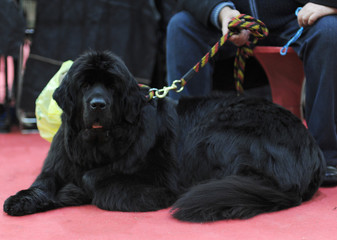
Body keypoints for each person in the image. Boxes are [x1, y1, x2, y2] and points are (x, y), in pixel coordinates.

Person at [166, 0, 337, 186]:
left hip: (300, 19)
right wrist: (223, 13)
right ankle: (183, 153)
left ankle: (326, 155)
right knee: (181, 25)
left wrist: (329, 4)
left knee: (329, 30)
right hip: (233, 24)